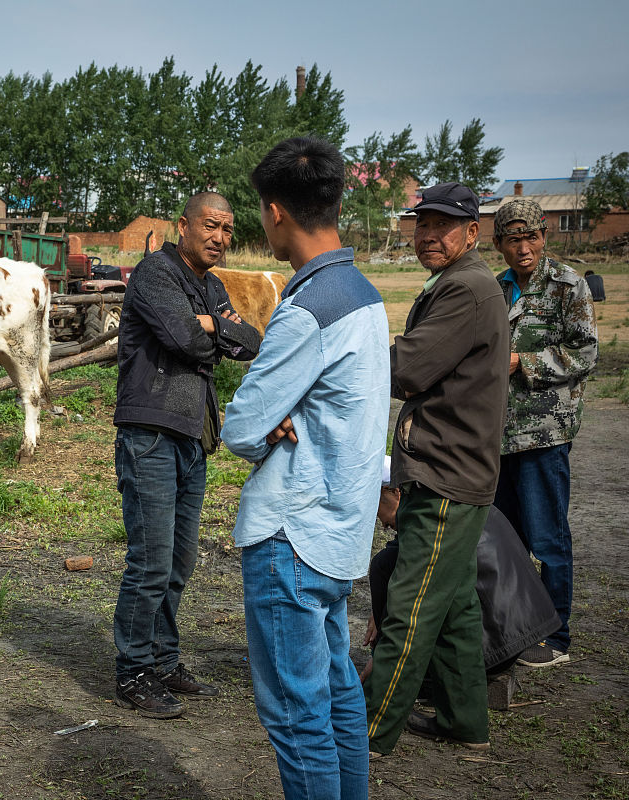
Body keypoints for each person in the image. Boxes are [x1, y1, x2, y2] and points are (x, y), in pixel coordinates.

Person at [220, 136, 388, 799]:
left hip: (291, 535)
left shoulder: (308, 308)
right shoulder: (365, 295)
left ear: (274, 212)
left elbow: (241, 426)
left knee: (297, 715)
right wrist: (282, 411)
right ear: (336, 201)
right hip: (340, 532)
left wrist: (274, 416)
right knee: (338, 689)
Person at [365, 182, 510, 756]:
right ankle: (462, 719)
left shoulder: (466, 289)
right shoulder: (459, 282)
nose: (428, 235)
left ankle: (369, 730)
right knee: (453, 605)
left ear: (472, 233)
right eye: (422, 224)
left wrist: (341, 355)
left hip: (446, 474)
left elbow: (408, 368)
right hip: (455, 468)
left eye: (442, 226)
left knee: (412, 605)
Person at [112, 191, 261, 719]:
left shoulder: (212, 286)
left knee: (179, 560)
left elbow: (249, 343)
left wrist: (213, 324)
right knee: (151, 560)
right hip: (151, 432)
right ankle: (133, 671)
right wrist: (213, 329)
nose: (220, 237)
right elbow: (183, 340)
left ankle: (164, 659)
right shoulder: (156, 272)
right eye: (211, 225)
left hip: (194, 436)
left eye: (228, 229)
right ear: (184, 225)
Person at [492, 199, 598, 668]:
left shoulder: (568, 285)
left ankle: (556, 636)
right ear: (499, 244)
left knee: (547, 537)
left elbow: (585, 353)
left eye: (531, 237)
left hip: (545, 432)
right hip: (500, 433)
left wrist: (525, 362)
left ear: (544, 237)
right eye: (514, 239)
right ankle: (516, 631)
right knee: (507, 537)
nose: (524, 248)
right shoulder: (495, 288)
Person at [363, 475, 561, 683]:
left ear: (396, 492)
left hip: (490, 650)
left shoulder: (425, 531)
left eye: (387, 522)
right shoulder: (461, 497)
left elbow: (406, 602)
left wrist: (382, 657)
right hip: (519, 635)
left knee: (383, 564)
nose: (384, 526)